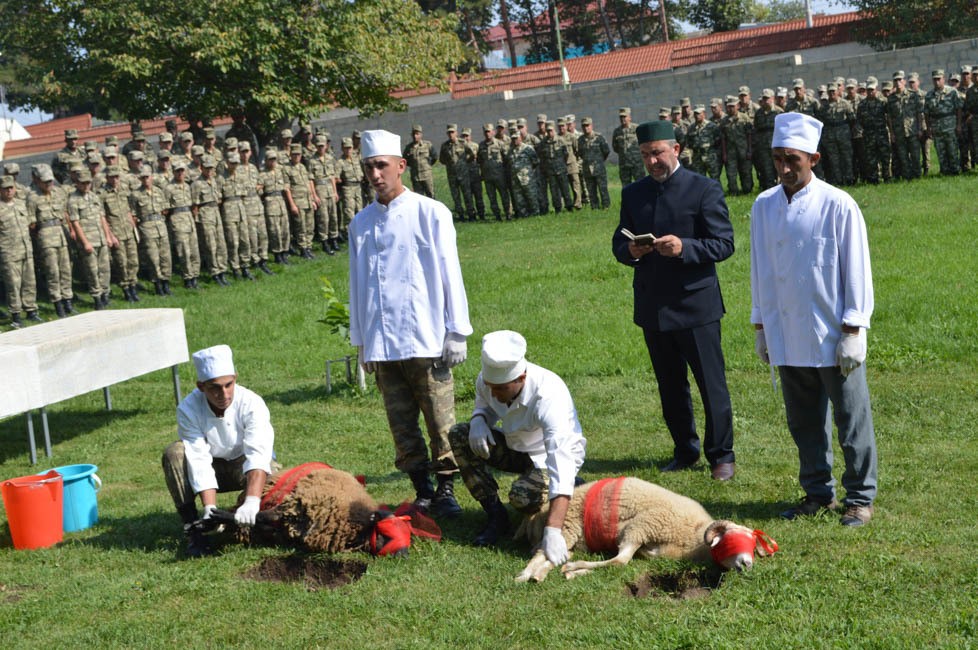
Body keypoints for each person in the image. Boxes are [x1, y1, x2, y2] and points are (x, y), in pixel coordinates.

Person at [750, 112, 878, 527]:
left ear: (814, 158)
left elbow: (856, 267)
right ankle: (817, 491)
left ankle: (859, 495)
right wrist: (760, 326)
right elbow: (761, 269)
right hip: (786, 331)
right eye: (778, 160)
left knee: (850, 417)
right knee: (803, 420)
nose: (785, 169)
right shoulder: (764, 205)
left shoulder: (838, 204)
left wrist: (854, 327)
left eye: (793, 160)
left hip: (831, 332)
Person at [349, 129, 472, 519]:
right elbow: (358, 284)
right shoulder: (361, 223)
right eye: (369, 167)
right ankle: (422, 487)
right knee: (401, 423)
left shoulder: (430, 212)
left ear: (401, 166)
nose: (375, 174)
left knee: (440, 420)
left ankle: (447, 487)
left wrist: (457, 329)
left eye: (381, 165)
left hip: (426, 335)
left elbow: (450, 272)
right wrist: (362, 342)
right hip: (383, 342)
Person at [612, 120, 736, 481]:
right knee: (670, 386)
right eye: (646, 155)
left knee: (710, 385)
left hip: (696, 305)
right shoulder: (634, 194)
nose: (652, 161)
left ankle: (721, 455)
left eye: (658, 153)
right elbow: (618, 243)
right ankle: (685, 449)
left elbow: (724, 243)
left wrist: (686, 248)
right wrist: (630, 250)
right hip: (653, 306)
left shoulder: (703, 189)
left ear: (676, 150)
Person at [448, 330, 586, 552]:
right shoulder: (489, 382)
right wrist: (479, 419)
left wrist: (553, 531)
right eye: (490, 386)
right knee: (459, 435)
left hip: (547, 456)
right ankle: (496, 516)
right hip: (517, 447)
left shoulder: (549, 396)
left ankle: (574, 487)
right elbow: (484, 402)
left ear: (521, 378)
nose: (493, 393)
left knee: (522, 497)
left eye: (501, 388)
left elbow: (561, 459)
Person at [162, 344, 277, 557]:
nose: (223, 394)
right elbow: (198, 458)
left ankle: (255, 521)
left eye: (228, 385)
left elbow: (258, 453)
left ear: (235, 379)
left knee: (274, 472)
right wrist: (210, 509)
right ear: (200, 386)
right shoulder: (188, 409)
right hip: (211, 466)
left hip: (242, 465)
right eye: (215, 387)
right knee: (174, 454)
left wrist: (252, 500)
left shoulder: (252, 403)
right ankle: (194, 530)